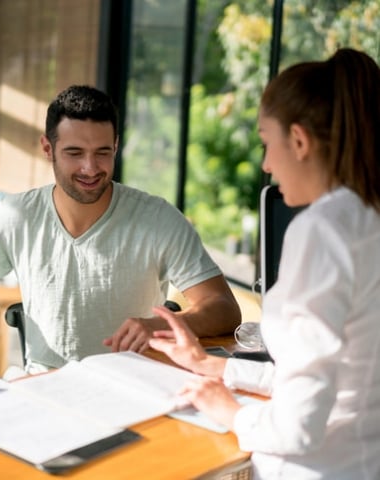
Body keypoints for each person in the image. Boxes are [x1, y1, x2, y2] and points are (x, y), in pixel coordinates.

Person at [149, 48, 380, 480]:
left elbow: (300, 426)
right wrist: (213, 366)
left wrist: (230, 412)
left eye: (266, 143)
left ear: (299, 141)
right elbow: (333, 376)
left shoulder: (322, 231)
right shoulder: (368, 218)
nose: (267, 165)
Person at [0, 85, 241, 373]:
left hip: (133, 383)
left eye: (102, 152)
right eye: (74, 153)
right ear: (47, 149)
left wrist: (160, 325)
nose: (90, 168)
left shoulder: (157, 219)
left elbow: (224, 307)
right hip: (45, 386)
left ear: (115, 146)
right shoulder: (17, 215)